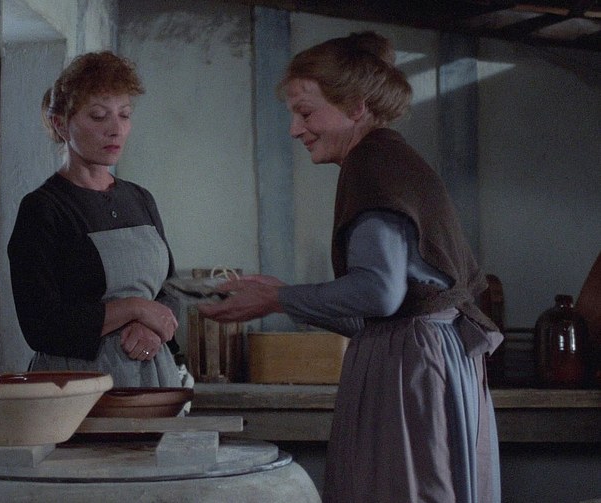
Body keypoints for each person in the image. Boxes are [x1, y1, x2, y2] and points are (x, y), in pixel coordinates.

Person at [199, 32, 502, 502]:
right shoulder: (389, 156)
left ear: (357, 107)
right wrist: (282, 297)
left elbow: (379, 294)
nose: (295, 130)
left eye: (306, 113)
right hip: (429, 356)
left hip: (413, 367)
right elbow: (384, 311)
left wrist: (277, 298)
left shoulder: (371, 163)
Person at [7, 51, 181, 388]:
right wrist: (133, 308)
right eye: (99, 116)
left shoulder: (140, 199)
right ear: (61, 124)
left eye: (124, 115)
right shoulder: (43, 209)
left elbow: (170, 290)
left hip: (154, 379)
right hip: (77, 387)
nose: (116, 129)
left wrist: (152, 327)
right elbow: (41, 326)